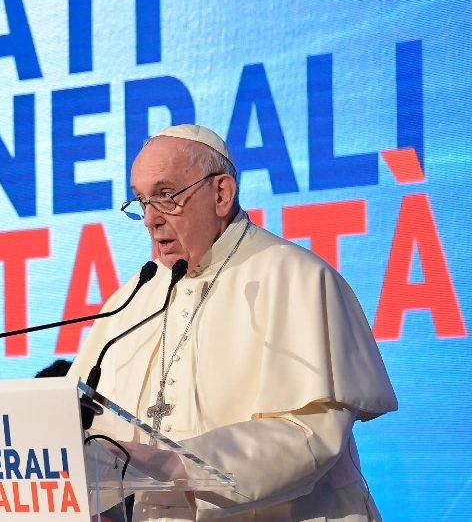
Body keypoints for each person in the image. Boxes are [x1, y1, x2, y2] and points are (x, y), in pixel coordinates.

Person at [68, 124, 397, 520]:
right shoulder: (135, 295)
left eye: (166, 195)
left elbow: (311, 435)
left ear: (221, 193)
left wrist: (180, 467)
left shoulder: (295, 276)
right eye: (141, 201)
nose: (150, 219)